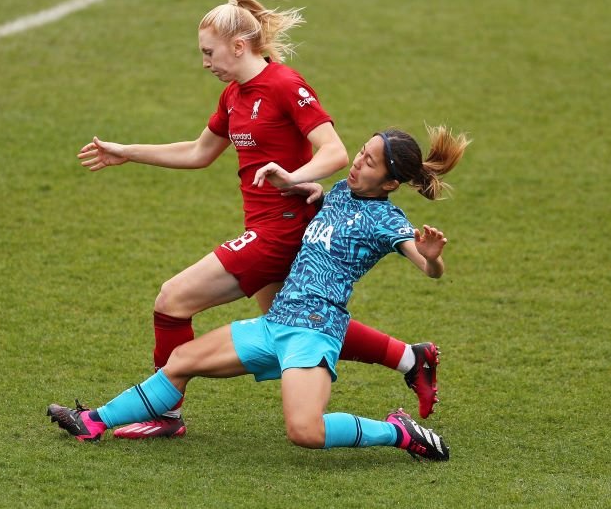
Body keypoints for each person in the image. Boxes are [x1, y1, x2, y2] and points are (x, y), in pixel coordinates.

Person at [77, 0, 440, 438]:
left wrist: (292, 179)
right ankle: (411, 358)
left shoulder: (286, 85)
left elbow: (334, 151)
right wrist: (126, 152)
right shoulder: (233, 95)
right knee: (296, 321)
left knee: (173, 301)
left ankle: (164, 414)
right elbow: (198, 152)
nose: (204, 62)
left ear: (237, 45)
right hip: (265, 228)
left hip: (283, 231)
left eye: (208, 52)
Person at [51, 126, 470, 459]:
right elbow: (330, 213)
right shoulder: (342, 191)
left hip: (314, 332)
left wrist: (431, 257)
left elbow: (429, 269)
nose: (357, 163)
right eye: (361, 152)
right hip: (276, 323)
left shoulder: (388, 220)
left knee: (305, 431)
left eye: (370, 162)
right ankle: (93, 421)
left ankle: (397, 432)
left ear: (391, 183)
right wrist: (313, 191)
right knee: (180, 361)